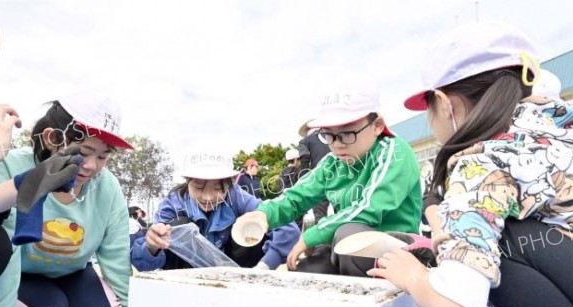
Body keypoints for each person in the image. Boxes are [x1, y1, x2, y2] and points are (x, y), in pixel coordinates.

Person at [375, 21, 573, 307]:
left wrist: (413, 275)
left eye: (429, 109)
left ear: (446, 104)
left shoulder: (481, 159)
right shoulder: (555, 124)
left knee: (498, 245)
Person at [0, 90, 140, 307]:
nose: (91, 166)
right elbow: (7, 246)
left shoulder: (107, 186)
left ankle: (67, 305)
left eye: (103, 156)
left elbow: (114, 250)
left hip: (74, 271)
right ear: (52, 138)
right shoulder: (11, 169)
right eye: (84, 152)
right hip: (22, 274)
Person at [234, 77, 422, 276]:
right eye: (328, 135)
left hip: (397, 249)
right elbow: (296, 197)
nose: (337, 144)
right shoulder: (332, 163)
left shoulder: (394, 151)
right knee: (309, 270)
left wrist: (312, 235)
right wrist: (264, 214)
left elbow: (369, 208)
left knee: (348, 235)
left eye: (347, 134)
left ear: (377, 125)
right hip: (348, 246)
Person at [131, 148, 300, 271]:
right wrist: (152, 246)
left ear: (229, 184)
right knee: (177, 226)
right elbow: (141, 261)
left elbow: (286, 227)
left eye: (218, 188)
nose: (208, 197)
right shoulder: (172, 205)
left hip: (232, 273)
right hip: (184, 279)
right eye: (198, 187)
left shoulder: (237, 197)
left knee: (251, 224)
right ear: (187, 182)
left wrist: (265, 265)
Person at [297, 119, 332, 223]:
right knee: (342, 213)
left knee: (320, 216)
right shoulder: (334, 136)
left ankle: (322, 238)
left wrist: (305, 182)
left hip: (319, 181)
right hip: (340, 178)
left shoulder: (305, 141)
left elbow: (304, 160)